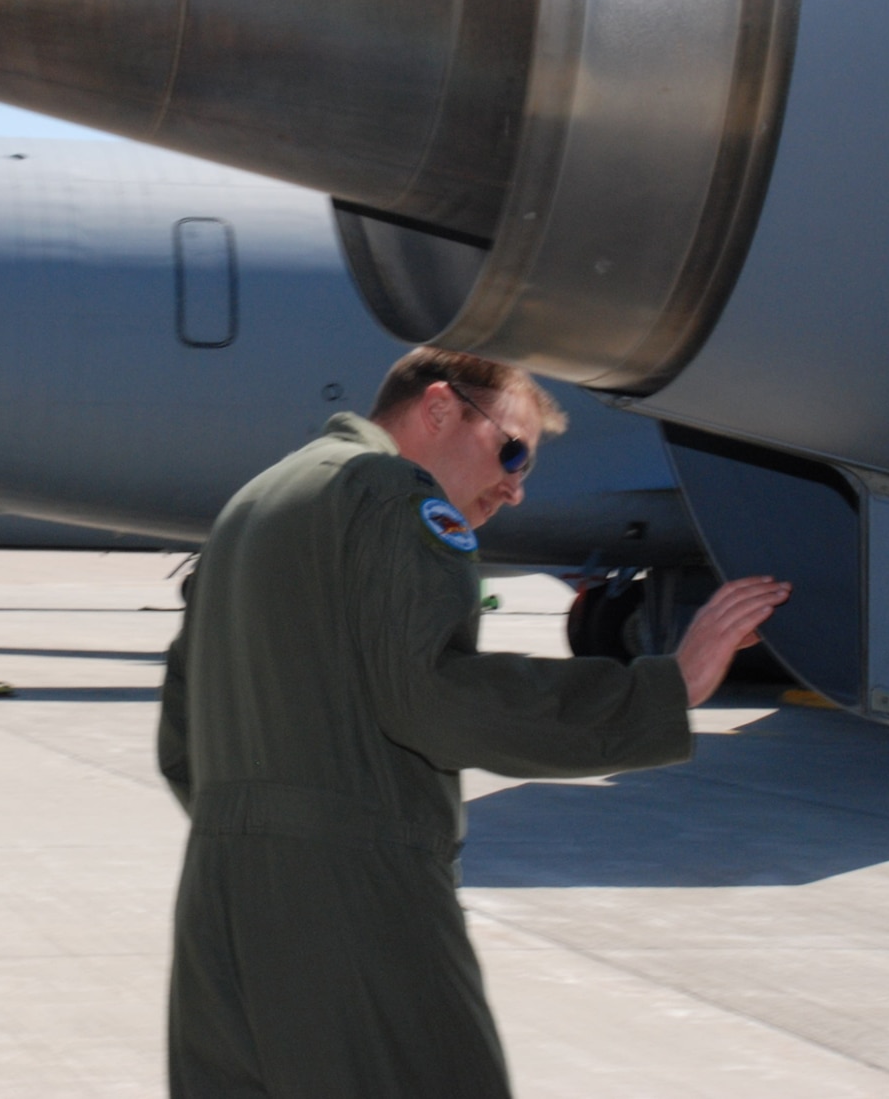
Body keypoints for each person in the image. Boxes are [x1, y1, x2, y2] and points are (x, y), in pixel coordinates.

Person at [158, 347, 790, 1098]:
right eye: (511, 450)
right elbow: (432, 696)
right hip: (355, 903)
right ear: (438, 409)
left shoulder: (253, 506)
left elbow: (182, 738)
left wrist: (269, 836)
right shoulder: (393, 494)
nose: (514, 488)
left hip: (217, 910)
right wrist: (664, 688)